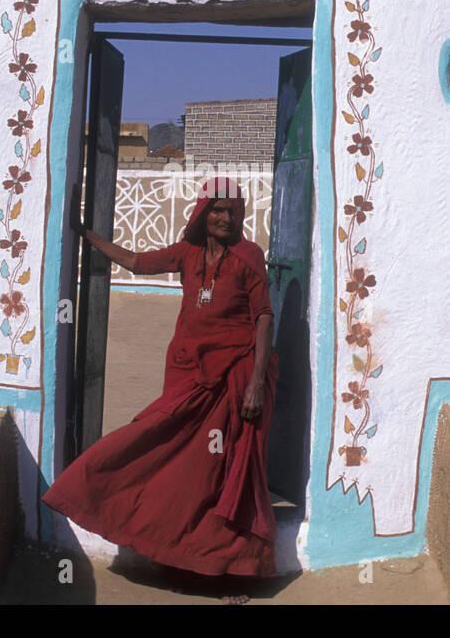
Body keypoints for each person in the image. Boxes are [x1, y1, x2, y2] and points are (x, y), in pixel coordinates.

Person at [42, 176, 280, 594]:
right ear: (203, 214)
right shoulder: (187, 253)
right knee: (167, 457)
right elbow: (135, 262)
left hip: (234, 379)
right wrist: (84, 233)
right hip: (188, 374)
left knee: (221, 472)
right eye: (217, 210)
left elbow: (263, 316)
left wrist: (256, 383)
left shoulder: (249, 257)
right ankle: (173, 554)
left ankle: (228, 568)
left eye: (233, 211)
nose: (225, 218)